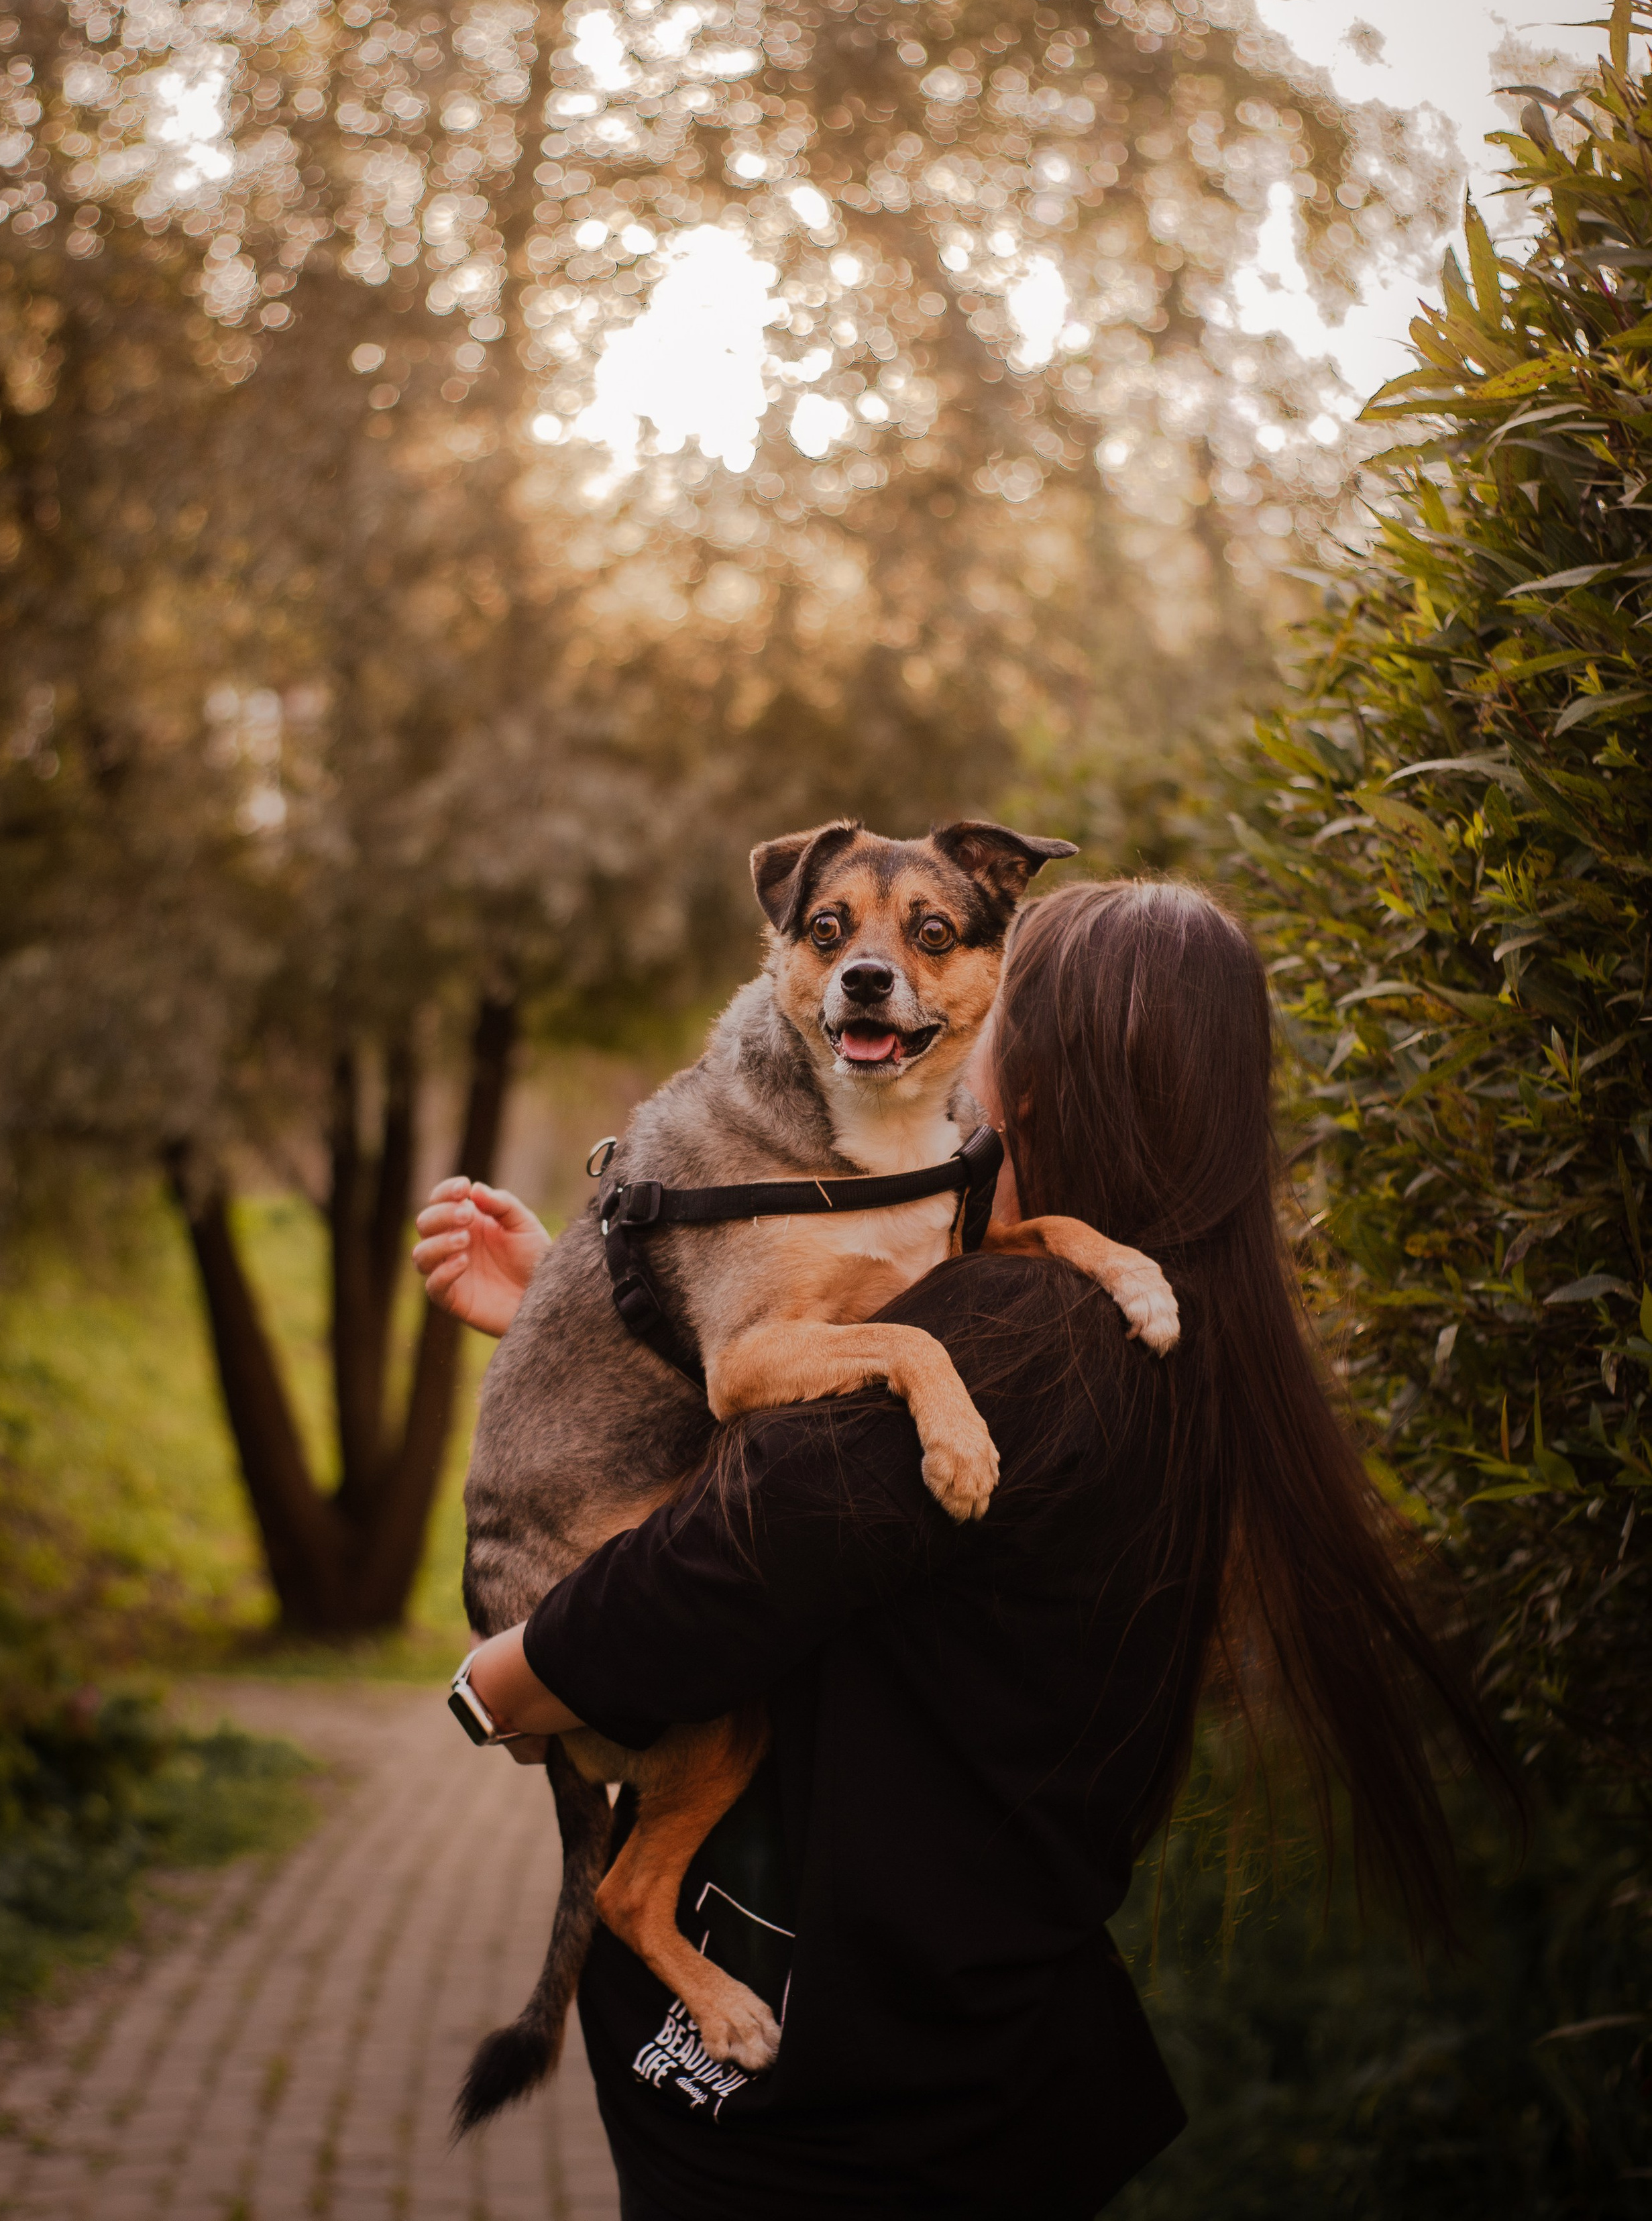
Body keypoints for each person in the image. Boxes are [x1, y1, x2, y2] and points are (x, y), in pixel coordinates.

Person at [415, 880, 1506, 2221]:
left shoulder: (1006, 1342)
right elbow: (836, 1503)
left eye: (983, 999)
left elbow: (720, 1566)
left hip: (827, 2102)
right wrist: (596, 1321)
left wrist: (499, 1685)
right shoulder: (1165, 1335)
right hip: (986, 2058)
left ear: (1035, 1078)